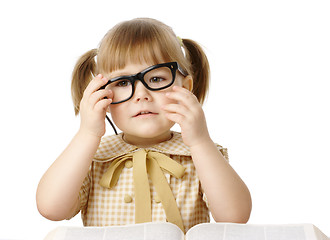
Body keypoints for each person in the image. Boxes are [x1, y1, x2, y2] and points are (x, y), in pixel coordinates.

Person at [36, 18, 252, 233]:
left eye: (156, 79)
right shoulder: (93, 156)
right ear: (103, 95)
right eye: (122, 83)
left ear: (185, 88)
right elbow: (51, 208)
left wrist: (200, 141)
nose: (141, 95)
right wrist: (87, 133)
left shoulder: (200, 153)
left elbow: (234, 217)